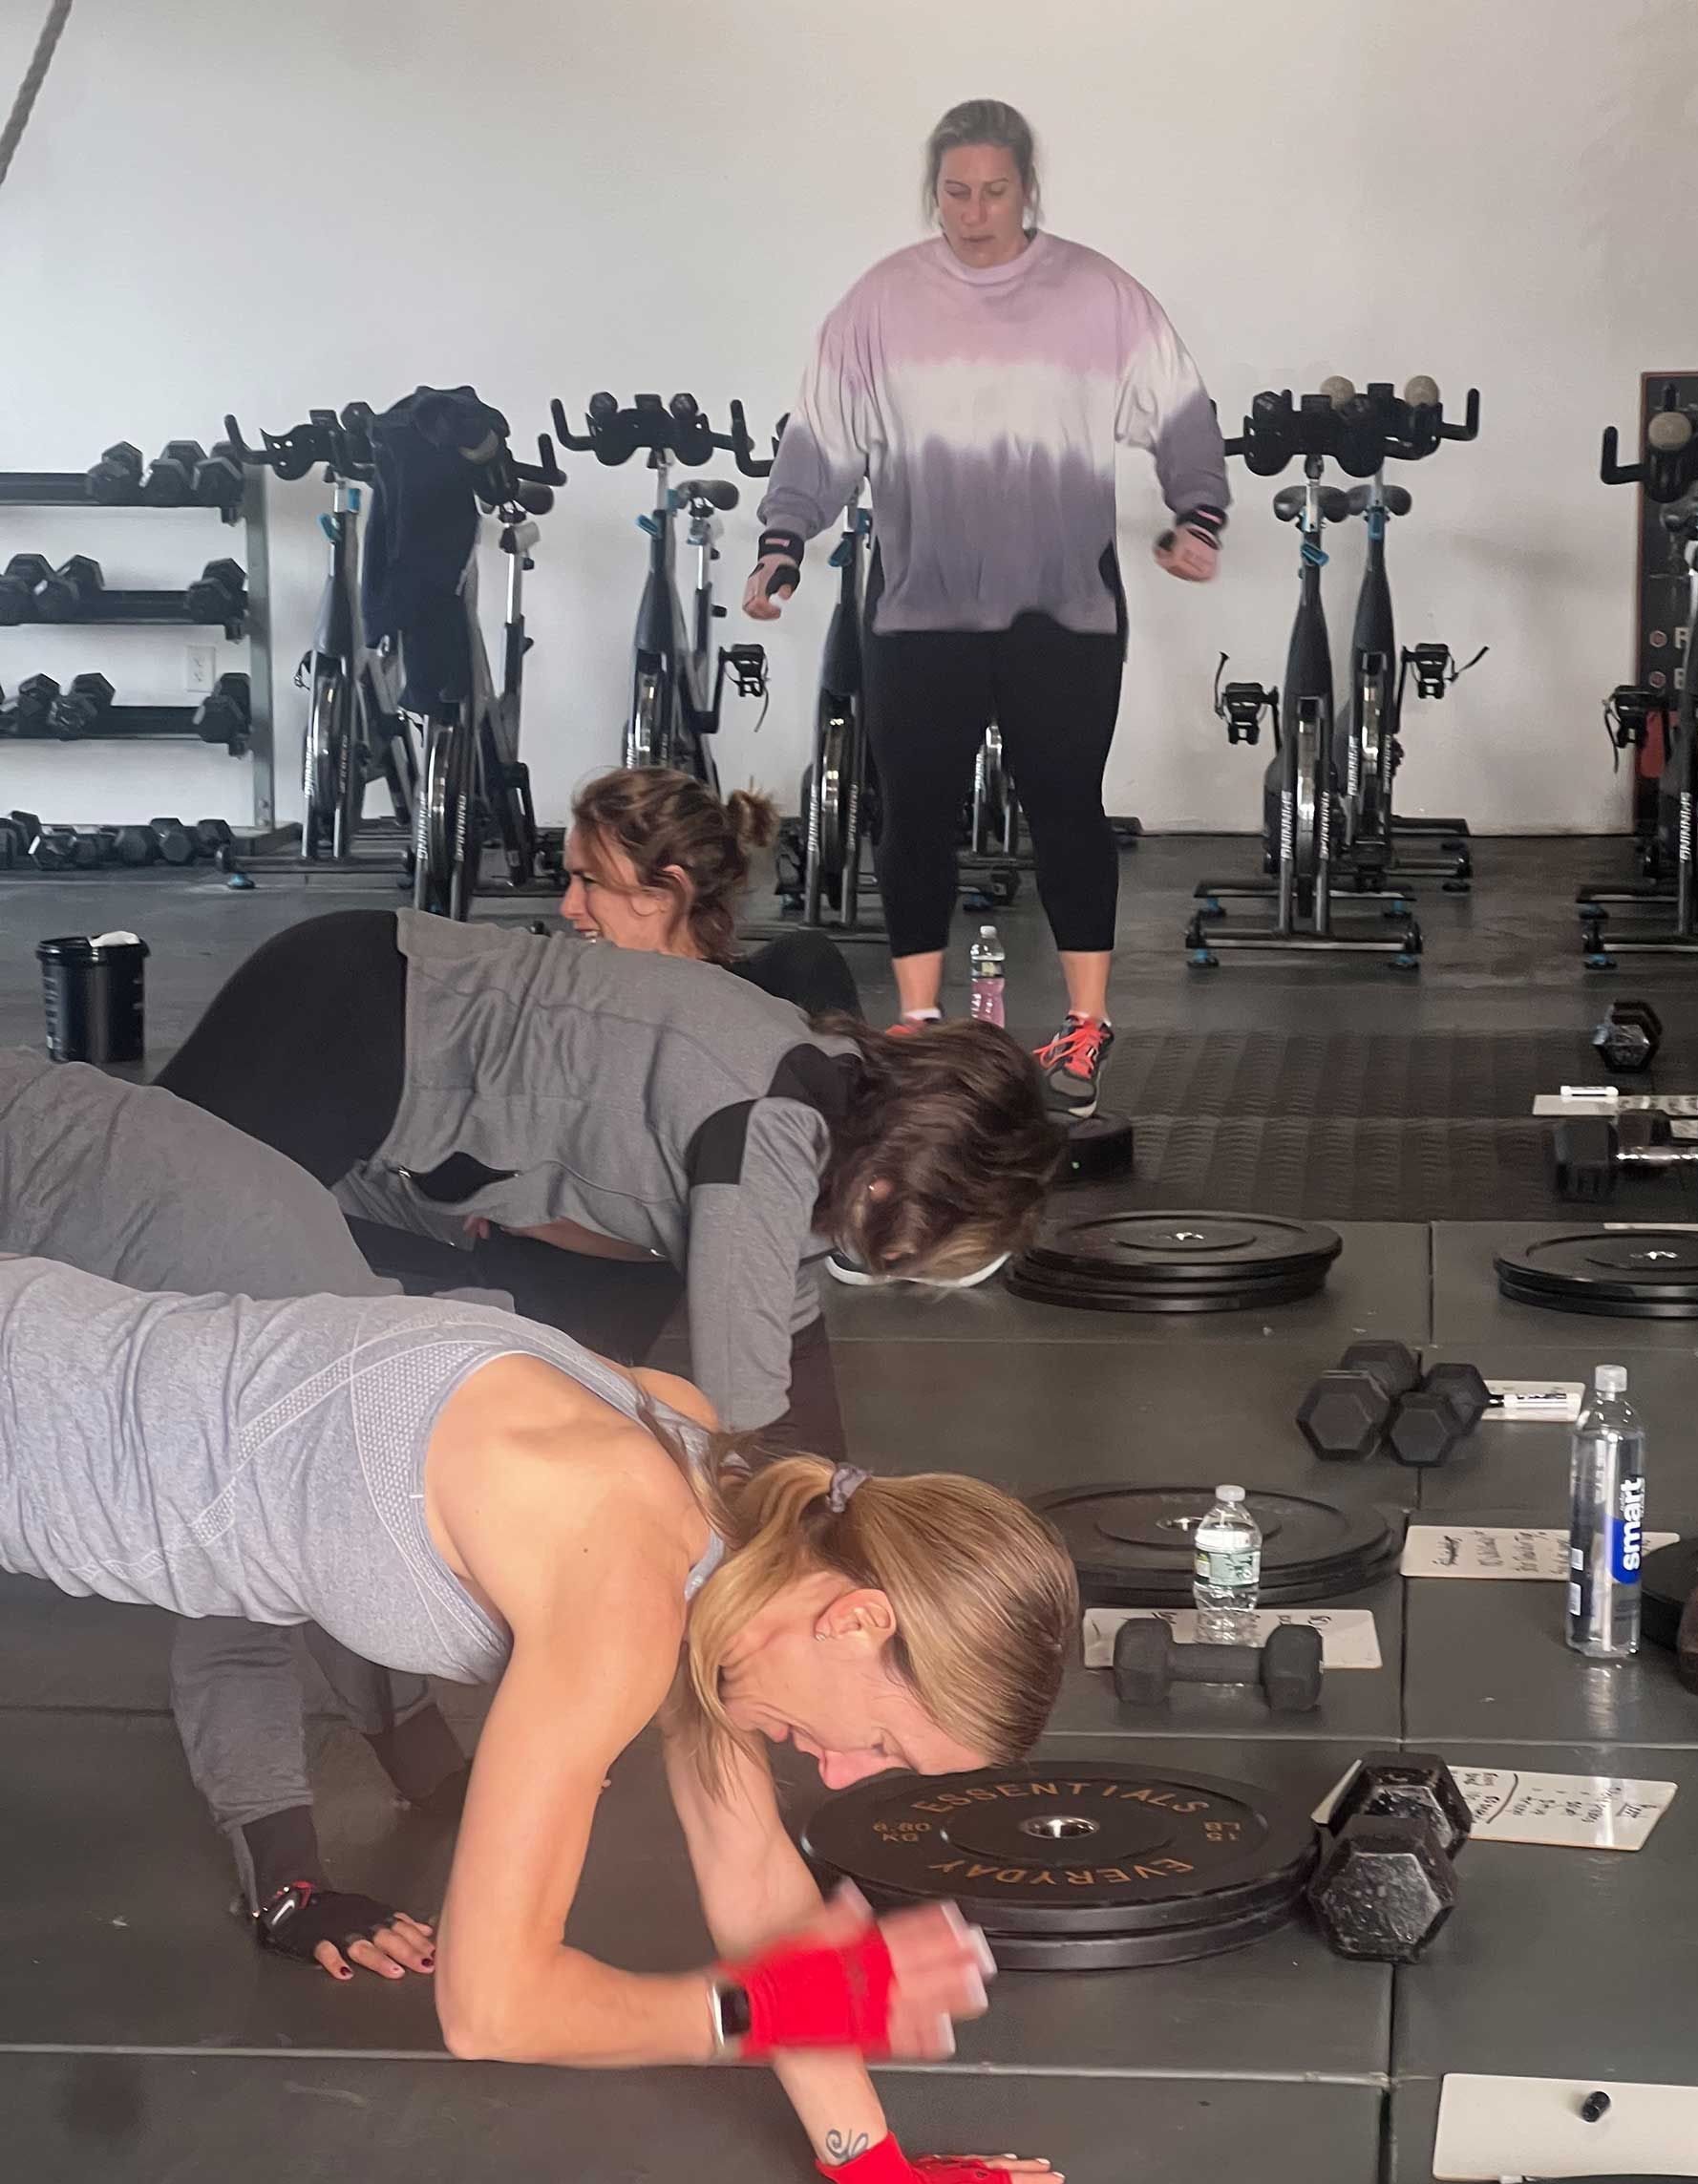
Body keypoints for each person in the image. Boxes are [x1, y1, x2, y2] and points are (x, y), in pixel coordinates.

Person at [0, 1254, 1074, 2184]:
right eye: (881, 1739)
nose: (840, 1775)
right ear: (856, 1621)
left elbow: (758, 1884)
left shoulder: (708, 1500)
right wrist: (753, 2010)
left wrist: (875, 2175)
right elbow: (490, 2005)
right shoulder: (617, 1571)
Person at [154, 905, 1059, 1454]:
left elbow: (791, 1344)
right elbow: (740, 1408)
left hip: (387, 1083)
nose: (900, 1265)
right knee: (128, 1242)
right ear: (904, 1184)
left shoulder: (827, 1109)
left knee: (194, 1263)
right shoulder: (773, 1130)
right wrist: (811, 1546)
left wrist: (836, 1502)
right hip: (351, 1015)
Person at [746, 95, 1229, 1116]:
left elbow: (1181, 408)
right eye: (956, 191)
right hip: (921, 611)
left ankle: (1085, 1029)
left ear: (1027, 189)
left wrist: (1199, 514)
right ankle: (919, 1024)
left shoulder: (1098, 293)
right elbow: (822, 436)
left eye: (994, 190)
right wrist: (784, 541)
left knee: (1066, 812)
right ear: (936, 192)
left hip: (1064, 610)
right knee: (913, 814)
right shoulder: (880, 301)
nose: (974, 211)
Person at [0, 1050, 466, 1963]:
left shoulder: (411, 1380)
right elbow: (239, 1617)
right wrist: (288, 1884)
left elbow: (342, 1557)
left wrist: (441, 1773)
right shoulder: (313, 1402)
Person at [556, 762, 862, 1017]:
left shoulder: (794, 979)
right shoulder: (572, 1005)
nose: (568, 907)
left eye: (590, 881)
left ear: (665, 893)